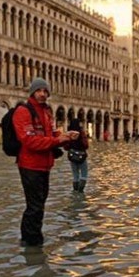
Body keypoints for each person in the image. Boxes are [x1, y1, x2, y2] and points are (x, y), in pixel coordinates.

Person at [13, 78, 78, 246]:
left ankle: (33, 238)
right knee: (34, 205)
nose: (42, 94)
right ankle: (31, 241)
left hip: (44, 165)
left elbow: (50, 134)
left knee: (40, 204)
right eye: (39, 90)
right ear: (33, 92)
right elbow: (30, 141)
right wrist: (57, 140)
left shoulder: (46, 112)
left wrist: (65, 136)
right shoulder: (23, 111)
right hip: (30, 165)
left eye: (45, 91)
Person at [66, 118, 90, 193]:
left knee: (75, 175)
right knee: (84, 174)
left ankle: (75, 190)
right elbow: (86, 145)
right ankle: (81, 191)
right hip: (81, 156)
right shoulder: (81, 133)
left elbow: (66, 147)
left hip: (72, 156)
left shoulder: (69, 134)